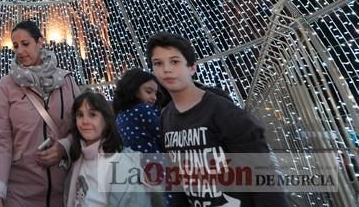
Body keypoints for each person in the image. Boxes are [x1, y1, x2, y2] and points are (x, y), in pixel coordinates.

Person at [146, 32, 288, 207]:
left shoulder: (223, 112)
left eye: (174, 61)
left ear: (192, 67)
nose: (166, 69)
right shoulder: (165, 117)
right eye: (158, 63)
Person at [0, 19, 81, 207]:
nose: (20, 51)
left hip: (65, 193)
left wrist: (64, 147)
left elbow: (82, 126)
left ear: (40, 42)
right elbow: (1, 140)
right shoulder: (7, 86)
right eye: (15, 46)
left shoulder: (66, 80)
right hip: (20, 195)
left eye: (25, 44)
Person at [65, 92, 152, 207]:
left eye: (92, 115)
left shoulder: (121, 163)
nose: (85, 121)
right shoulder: (77, 158)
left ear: (106, 120)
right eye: (80, 115)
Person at [113, 68, 162, 154]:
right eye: (149, 91)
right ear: (133, 89)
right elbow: (164, 134)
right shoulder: (142, 110)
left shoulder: (120, 114)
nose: (154, 97)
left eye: (155, 93)